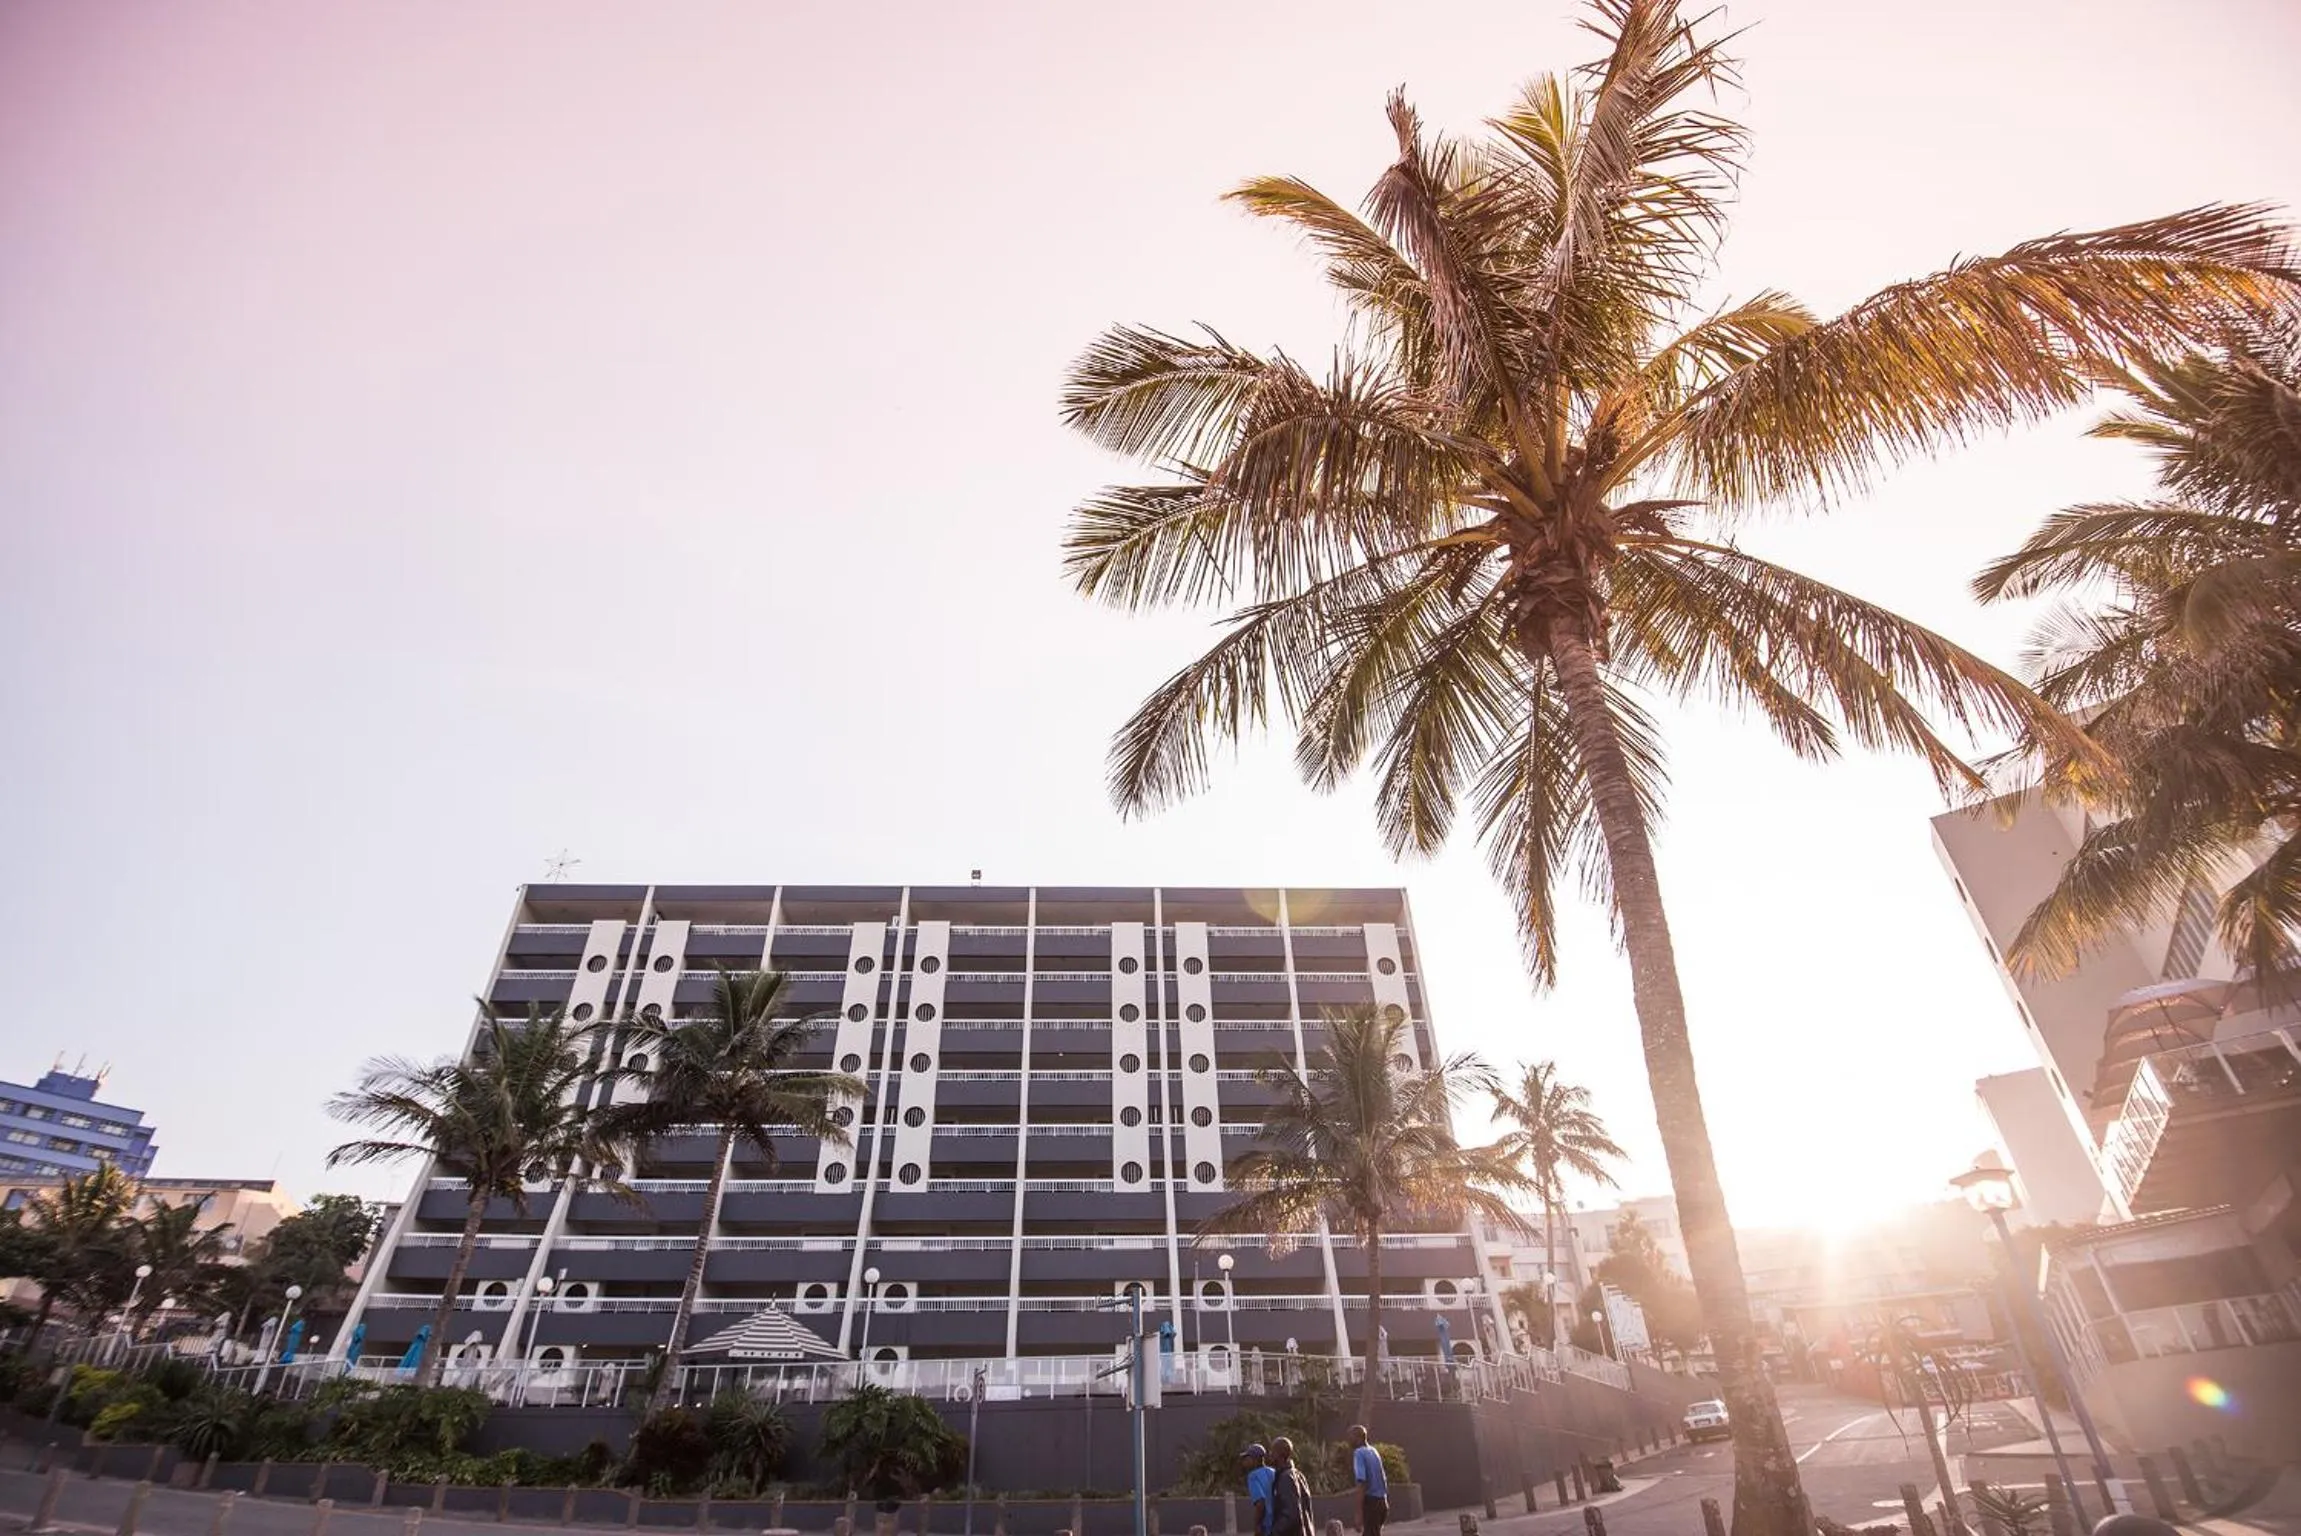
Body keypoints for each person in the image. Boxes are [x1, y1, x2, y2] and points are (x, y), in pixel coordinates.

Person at [1267, 1437, 1315, 1536]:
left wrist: (1274, 1532)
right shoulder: (1298, 1475)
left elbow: (1291, 1514)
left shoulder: (1285, 1478)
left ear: (1279, 1453)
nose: (1270, 1454)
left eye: (1272, 1451)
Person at [1349, 1424, 1389, 1536]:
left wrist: (1358, 1514)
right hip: (1382, 1503)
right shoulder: (1373, 1451)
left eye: (1351, 1437)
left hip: (1371, 1504)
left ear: (1359, 1438)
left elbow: (1361, 1483)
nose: (1349, 1441)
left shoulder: (1359, 1453)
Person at [1240, 1444, 1274, 1536]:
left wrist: (1257, 1525)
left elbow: (1260, 1503)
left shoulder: (1253, 1476)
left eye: (1248, 1458)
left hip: (1266, 1526)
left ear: (1255, 1459)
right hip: (1279, 1524)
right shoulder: (1273, 1472)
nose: (1245, 1461)